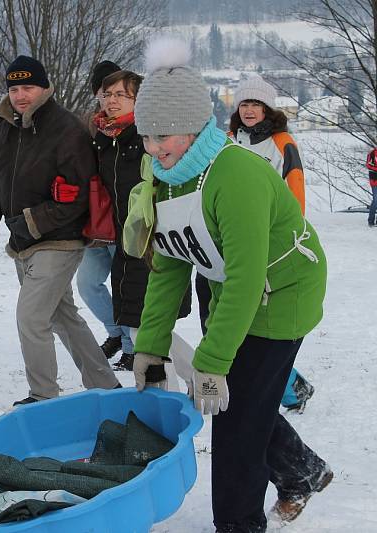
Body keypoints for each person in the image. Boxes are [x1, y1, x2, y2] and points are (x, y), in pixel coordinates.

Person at [128, 39, 331, 532]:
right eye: (146, 138)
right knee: (244, 401)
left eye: (165, 136)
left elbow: (246, 274)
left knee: (236, 417)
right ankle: (303, 470)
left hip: (283, 291)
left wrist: (211, 362)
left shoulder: (234, 174)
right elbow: (172, 264)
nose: (154, 149)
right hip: (235, 291)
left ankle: (239, 524)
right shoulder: (166, 176)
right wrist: (150, 347)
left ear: (196, 127)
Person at [0, 55, 120, 406]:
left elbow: (80, 193)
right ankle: (105, 384)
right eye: (15, 88)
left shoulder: (65, 128)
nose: (21, 95)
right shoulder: (2, 129)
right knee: (60, 315)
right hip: (22, 241)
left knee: (31, 316)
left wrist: (34, 222)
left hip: (60, 239)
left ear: (44, 87)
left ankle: (43, 397)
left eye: (28, 87)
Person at [80, 65, 193, 373]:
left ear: (139, 99)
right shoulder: (103, 138)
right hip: (118, 233)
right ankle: (142, 360)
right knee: (135, 318)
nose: (111, 101)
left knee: (151, 326)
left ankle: (191, 376)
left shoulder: (151, 136)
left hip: (154, 240)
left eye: (121, 95)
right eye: (107, 94)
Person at [224, 75, 314, 412]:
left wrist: (292, 233)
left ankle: (290, 388)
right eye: (244, 104)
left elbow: (296, 186)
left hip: (272, 236)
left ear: (267, 109)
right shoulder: (230, 139)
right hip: (233, 236)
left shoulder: (282, 143)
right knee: (242, 319)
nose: (249, 110)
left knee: (260, 321)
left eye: (256, 105)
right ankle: (285, 383)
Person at [75, 60, 134, 366]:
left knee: (125, 288)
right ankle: (116, 333)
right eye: (102, 91)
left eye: (114, 92)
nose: (108, 98)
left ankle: (130, 345)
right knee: (87, 283)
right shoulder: (91, 125)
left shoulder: (135, 127)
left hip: (123, 223)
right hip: (95, 223)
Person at [367, 147, 377, 226]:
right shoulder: (372, 153)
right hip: (374, 180)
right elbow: (368, 165)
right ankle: (371, 220)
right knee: (376, 200)